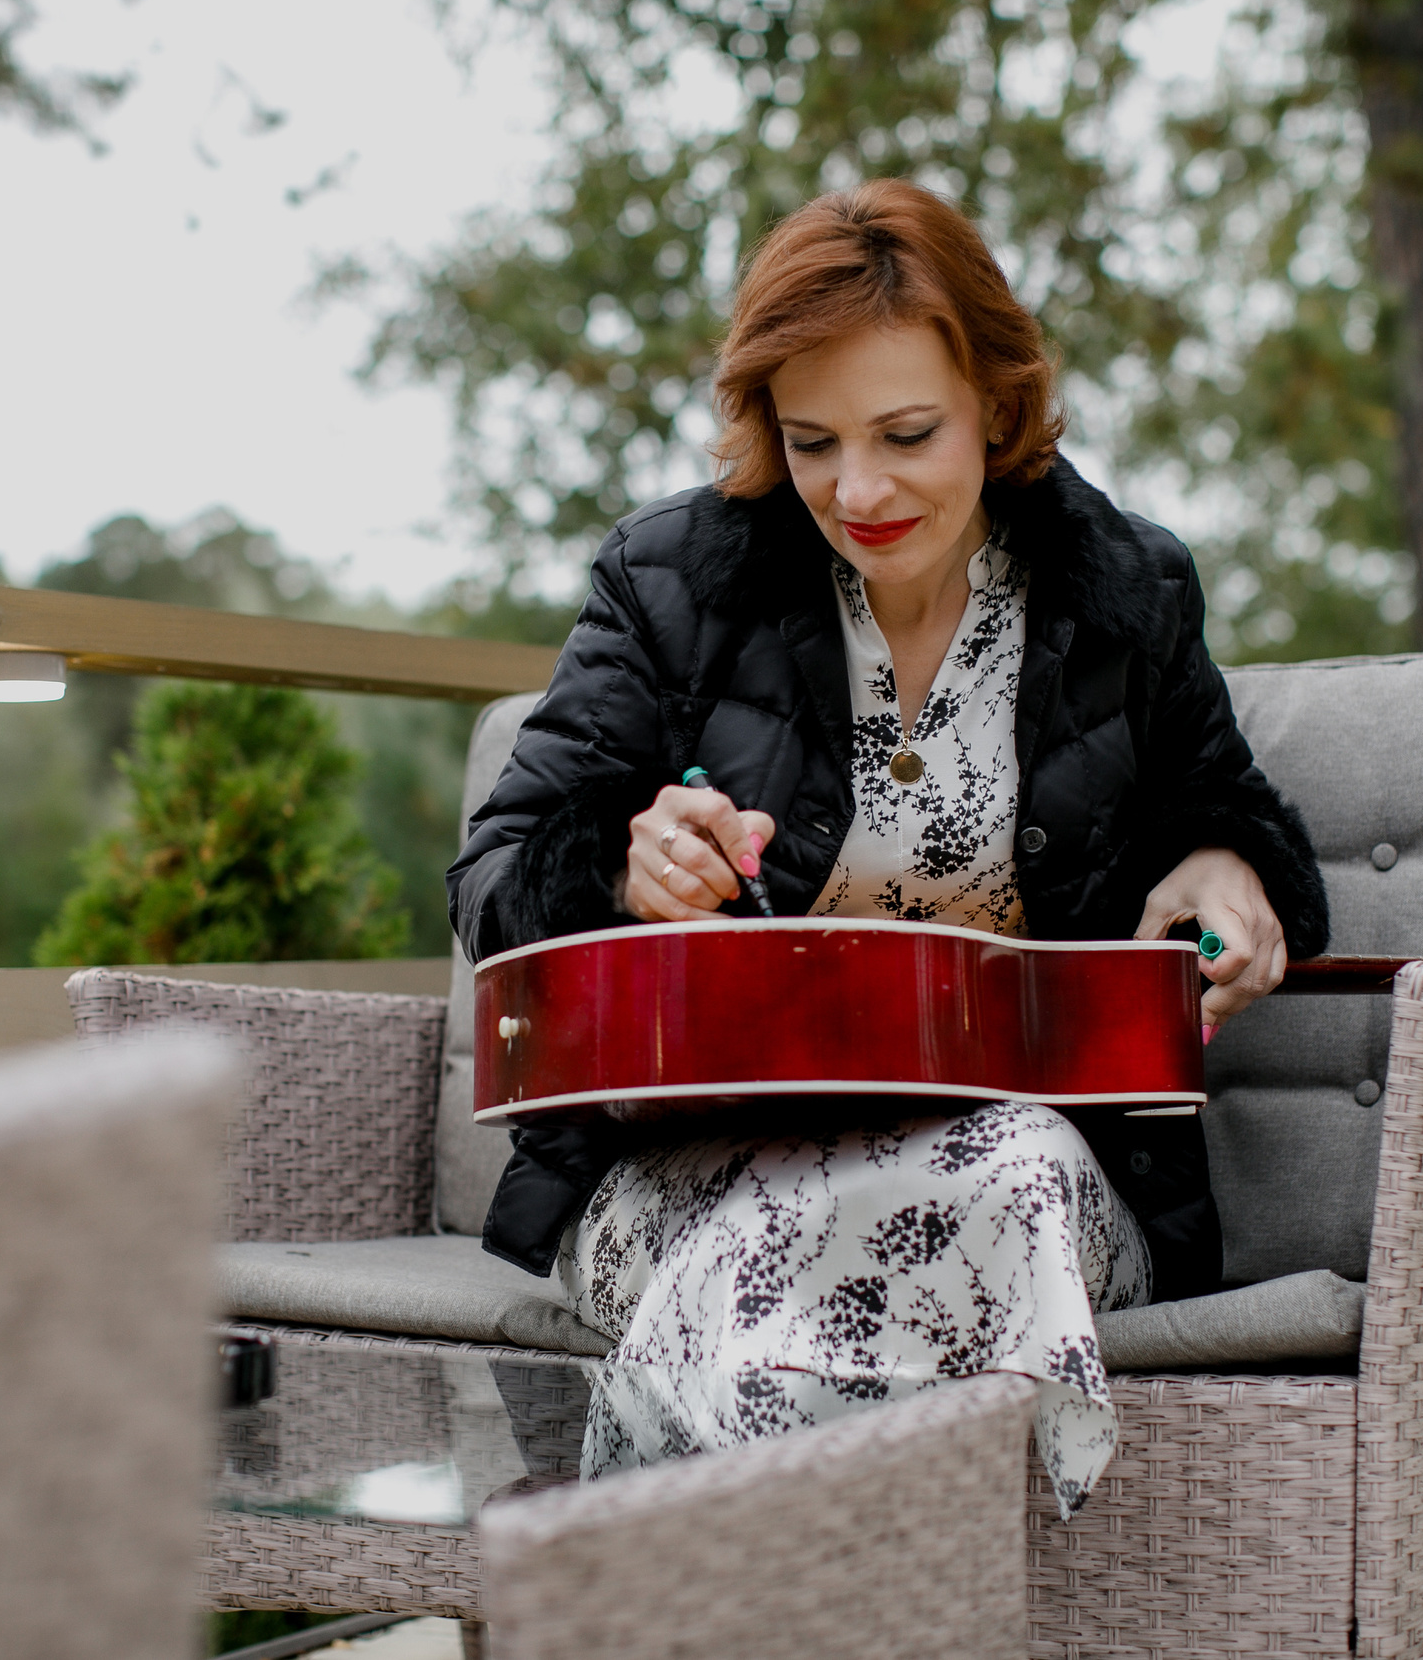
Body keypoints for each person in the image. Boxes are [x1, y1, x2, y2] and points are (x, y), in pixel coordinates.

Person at [445, 180, 1328, 1514]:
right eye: (811, 443)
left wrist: (1226, 870)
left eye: (906, 433)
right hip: (686, 1183)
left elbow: (1228, 810)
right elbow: (497, 880)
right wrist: (622, 867)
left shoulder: (1124, 591)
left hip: (1028, 1177)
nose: (856, 489)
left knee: (992, 1190)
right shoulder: (672, 580)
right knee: (790, 1255)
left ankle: (622, 1599)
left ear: (997, 401)